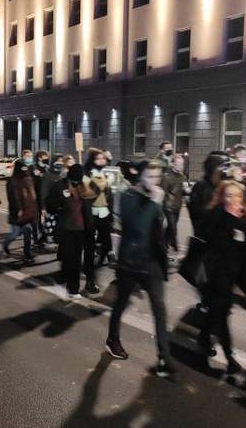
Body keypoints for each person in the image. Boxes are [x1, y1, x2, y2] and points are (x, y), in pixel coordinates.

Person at [106, 161, 175, 380]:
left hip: (152, 263)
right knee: (121, 303)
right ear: (140, 176)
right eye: (149, 176)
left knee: (159, 309)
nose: (154, 181)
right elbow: (137, 228)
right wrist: (155, 202)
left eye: (157, 177)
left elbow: (161, 228)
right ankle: (112, 339)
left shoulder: (156, 197)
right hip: (130, 262)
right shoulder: (127, 196)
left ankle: (164, 358)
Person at [197, 180, 246, 378]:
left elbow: (244, 249)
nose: (234, 199)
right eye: (229, 195)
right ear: (222, 197)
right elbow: (217, 244)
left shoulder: (243, 219)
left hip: (231, 277)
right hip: (215, 275)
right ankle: (230, 359)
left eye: (238, 195)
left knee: (216, 312)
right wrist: (231, 217)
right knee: (221, 314)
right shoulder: (217, 215)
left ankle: (204, 338)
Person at [46, 164, 93, 298]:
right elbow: (50, 204)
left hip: (80, 229)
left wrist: (90, 228)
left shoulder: (83, 186)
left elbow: (88, 208)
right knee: (67, 259)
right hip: (66, 228)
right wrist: (61, 200)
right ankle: (62, 280)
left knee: (76, 261)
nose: (77, 182)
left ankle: (73, 290)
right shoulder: (60, 185)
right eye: (75, 179)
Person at [83, 148, 115, 280]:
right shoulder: (87, 174)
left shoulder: (105, 173)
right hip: (91, 213)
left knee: (107, 242)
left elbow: (109, 195)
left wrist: (111, 212)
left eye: (103, 158)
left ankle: (99, 263)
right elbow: (89, 193)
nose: (102, 161)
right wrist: (106, 182)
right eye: (98, 158)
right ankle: (88, 269)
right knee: (89, 244)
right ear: (92, 160)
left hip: (104, 212)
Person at [4, 159, 38, 264]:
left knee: (27, 232)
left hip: (28, 211)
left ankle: (27, 254)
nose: (24, 170)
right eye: (22, 168)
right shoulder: (11, 181)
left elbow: (32, 196)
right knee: (15, 233)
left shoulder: (29, 179)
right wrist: (18, 210)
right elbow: (11, 198)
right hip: (17, 212)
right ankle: (6, 244)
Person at [188, 151, 230, 234]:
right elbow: (196, 213)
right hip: (206, 232)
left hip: (224, 233)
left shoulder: (227, 185)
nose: (226, 169)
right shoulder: (200, 186)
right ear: (213, 167)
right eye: (223, 166)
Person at [161, 153, 188, 255]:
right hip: (168, 206)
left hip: (177, 205)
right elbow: (163, 192)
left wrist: (187, 190)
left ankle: (164, 244)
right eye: (178, 164)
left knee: (170, 227)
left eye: (182, 164)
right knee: (172, 227)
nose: (181, 166)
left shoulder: (183, 177)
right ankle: (174, 245)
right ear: (173, 164)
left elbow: (184, 191)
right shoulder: (166, 176)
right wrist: (164, 204)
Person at [41, 154, 65, 245]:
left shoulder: (63, 174)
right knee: (50, 226)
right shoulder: (47, 175)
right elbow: (43, 192)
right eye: (58, 161)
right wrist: (43, 208)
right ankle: (47, 240)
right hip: (50, 206)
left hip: (61, 206)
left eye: (61, 161)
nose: (60, 163)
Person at [32, 150, 50, 246]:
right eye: (45, 157)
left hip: (46, 196)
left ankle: (44, 235)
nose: (47, 158)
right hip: (36, 196)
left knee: (46, 217)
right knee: (37, 218)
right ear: (39, 158)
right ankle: (35, 238)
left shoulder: (47, 167)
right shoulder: (34, 167)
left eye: (47, 157)